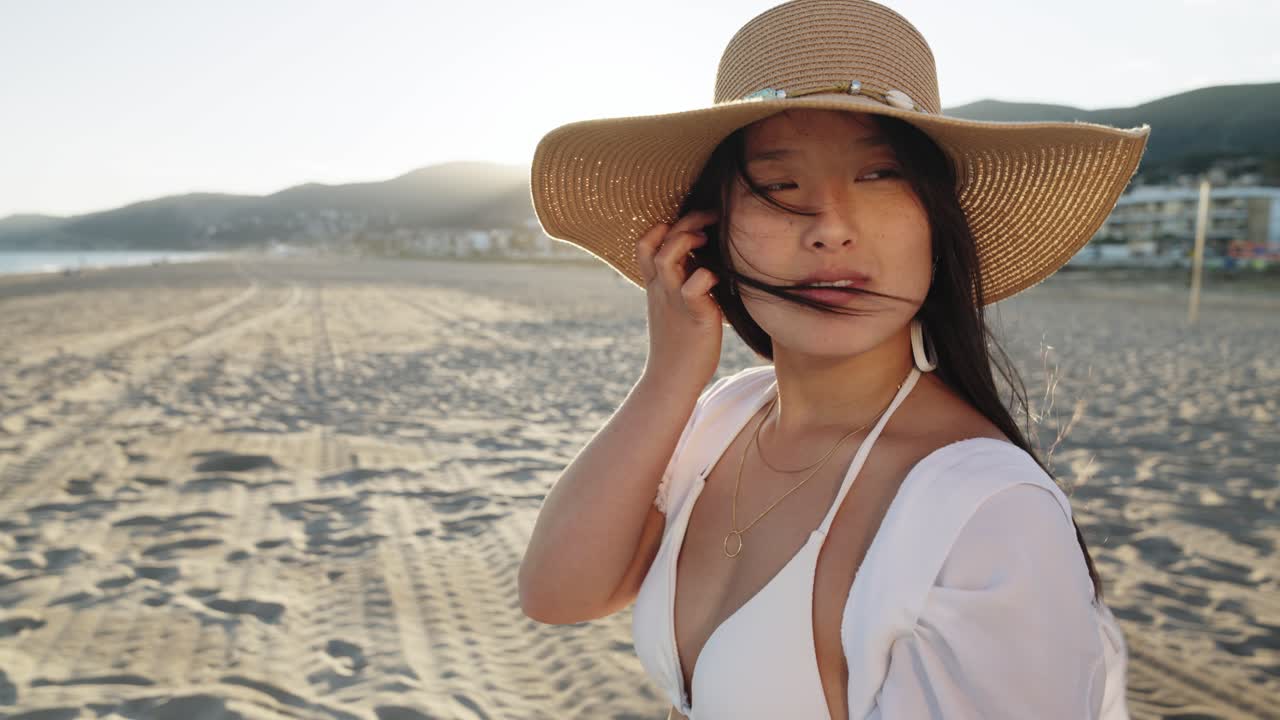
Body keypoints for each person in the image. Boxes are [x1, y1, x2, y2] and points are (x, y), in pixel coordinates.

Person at [518, 0, 1148, 717]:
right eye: (779, 186)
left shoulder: (988, 514)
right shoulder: (727, 416)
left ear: (937, 226)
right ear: (710, 232)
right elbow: (558, 594)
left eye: (879, 177)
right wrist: (670, 373)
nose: (830, 228)